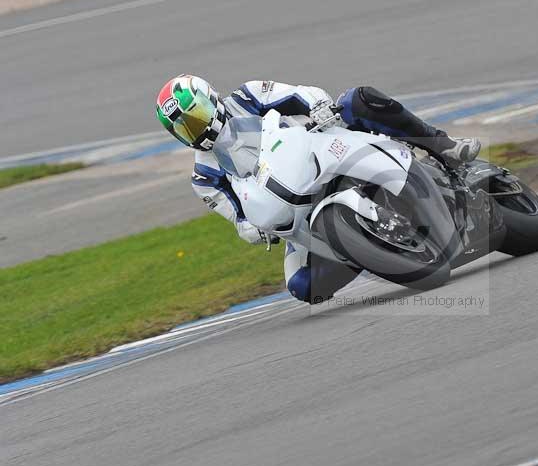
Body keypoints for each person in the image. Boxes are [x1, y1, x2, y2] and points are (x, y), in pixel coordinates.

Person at [155, 74, 480, 303]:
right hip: (293, 207)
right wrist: (254, 229)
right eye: (183, 128)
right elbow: (237, 218)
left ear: (210, 99)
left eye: (194, 117)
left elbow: (301, 94)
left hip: (321, 145)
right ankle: (367, 249)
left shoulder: (248, 96)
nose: (193, 129)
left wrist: (317, 106)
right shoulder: (204, 176)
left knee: (358, 99)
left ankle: (442, 145)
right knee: (303, 287)